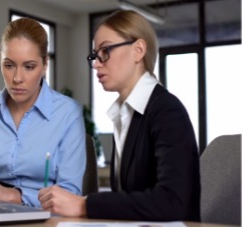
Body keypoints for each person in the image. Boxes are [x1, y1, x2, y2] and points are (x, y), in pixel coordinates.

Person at [38, 10, 200, 221]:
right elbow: (128, 197)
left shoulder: (167, 111)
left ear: (138, 50)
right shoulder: (125, 114)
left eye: (105, 50)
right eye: (95, 55)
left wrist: (85, 205)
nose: (96, 63)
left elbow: (172, 202)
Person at [0, 17, 86, 207]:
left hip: (47, 220)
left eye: (29, 67)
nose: (17, 78)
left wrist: (8, 194)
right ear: (0, 62)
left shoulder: (68, 113)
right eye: (9, 65)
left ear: (45, 64)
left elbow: (70, 194)